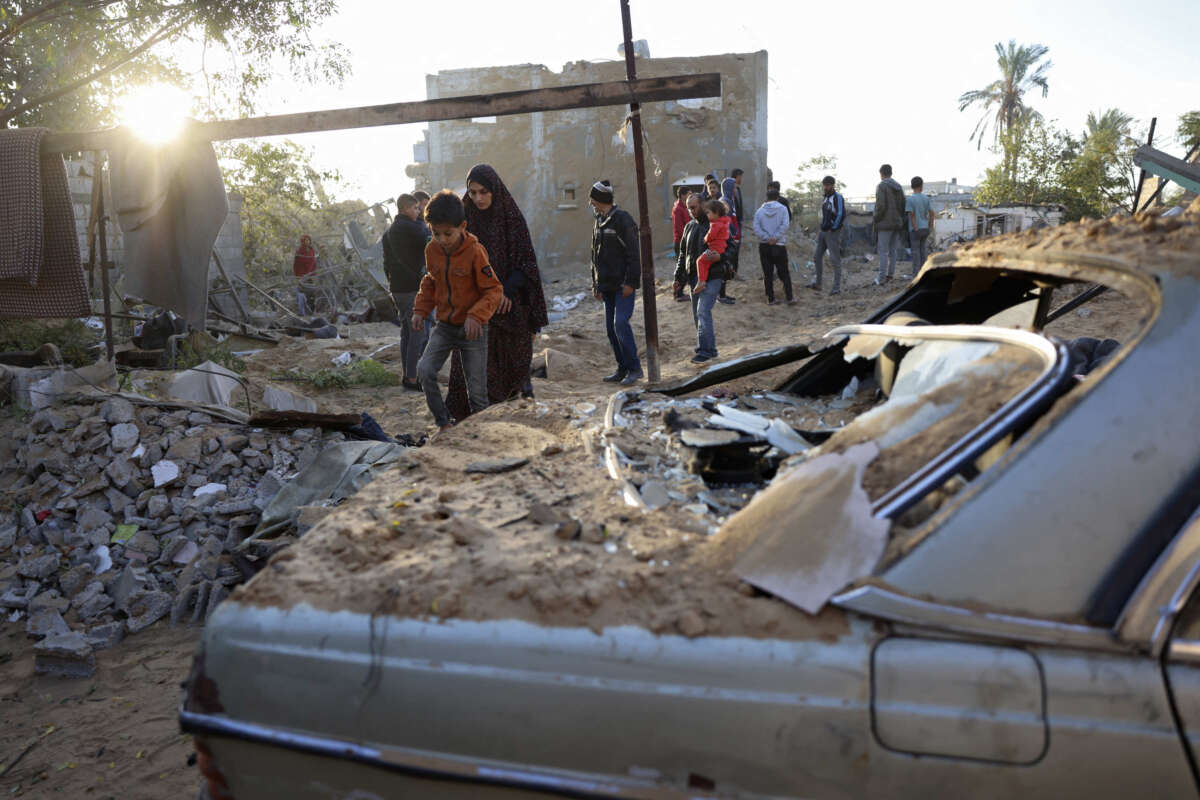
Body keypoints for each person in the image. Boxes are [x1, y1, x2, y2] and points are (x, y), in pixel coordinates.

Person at [447, 164, 549, 420]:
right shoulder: (462, 223)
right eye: (472, 192)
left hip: (510, 306)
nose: (478, 198)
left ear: (494, 190)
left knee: (513, 373)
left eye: (484, 192)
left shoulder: (511, 218)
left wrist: (503, 291)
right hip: (476, 307)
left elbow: (526, 263)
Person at [412, 190, 503, 432]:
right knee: (424, 371)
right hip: (445, 327)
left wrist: (476, 315)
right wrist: (420, 310)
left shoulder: (475, 251)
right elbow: (430, 281)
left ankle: (482, 436)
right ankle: (444, 424)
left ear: (462, 226)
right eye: (435, 233)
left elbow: (493, 289)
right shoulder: (432, 250)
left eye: (447, 234)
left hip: (473, 330)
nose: (441, 239)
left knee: (477, 393)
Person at [588, 179, 643, 385]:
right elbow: (594, 255)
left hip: (622, 285)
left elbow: (633, 254)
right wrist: (595, 284)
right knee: (611, 330)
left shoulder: (623, 220)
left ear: (601, 199)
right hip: (606, 285)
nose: (591, 203)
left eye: (593, 199)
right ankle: (622, 368)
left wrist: (631, 282)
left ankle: (635, 368)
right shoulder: (598, 220)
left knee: (620, 323)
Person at [382, 193, 430, 391]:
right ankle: (412, 378)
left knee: (407, 333)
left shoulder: (390, 231)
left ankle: (408, 375)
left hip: (398, 288)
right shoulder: (411, 227)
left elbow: (386, 264)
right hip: (411, 288)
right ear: (406, 209)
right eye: (417, 208)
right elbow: (428, 237)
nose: (419, 212)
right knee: (419, 333)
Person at [672, 192, 724, 363]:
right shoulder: (689, 227)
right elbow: (682, 254)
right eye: (688, 208)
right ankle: (710, 349)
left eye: (693, 207)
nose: (691, 211)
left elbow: (729, 248)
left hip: (712, 276)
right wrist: (678, 277)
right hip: (694, 277)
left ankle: (705, 351)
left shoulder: (715, 224)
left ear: (703, 205)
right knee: (698, 314)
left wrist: (720, 257)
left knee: (702, 311)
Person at [753, 187, 793, 305]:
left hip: (764, 246)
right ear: (777, 197)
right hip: (779, 245)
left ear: (767, 198)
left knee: (767, 273)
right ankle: (789, 297)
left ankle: (771, 298)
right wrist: (775, 238)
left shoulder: (759, 211)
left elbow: (756, 228)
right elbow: (785, 225)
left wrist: (767, 238)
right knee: (784, 272)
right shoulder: (783, 209)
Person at [873, 163, 906, 284]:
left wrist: (876, 218)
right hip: (897, 224)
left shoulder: (881, 186)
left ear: (881, 174)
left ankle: (881, 278)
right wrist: (900, 219)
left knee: (883, 251)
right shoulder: (899, 187)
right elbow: (903, 205)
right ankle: (890, 276)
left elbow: (880, 206)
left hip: (884, 224)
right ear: (891, 173)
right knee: (893, 251)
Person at [812, 176, 846, 294]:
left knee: (835, 260)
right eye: (824, 185)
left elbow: (841, 214)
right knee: (817, 257)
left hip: (832, 233)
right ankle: (818, 283)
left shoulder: (838, 197)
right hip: (823, 232)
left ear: (832, 185)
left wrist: (834, 228)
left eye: (827, 185)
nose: (825, 187)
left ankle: (836, 288)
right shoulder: (825, 198)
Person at [906, 176, 935, 273]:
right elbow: (932, 213)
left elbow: (912, 215)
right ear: (921, 186)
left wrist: (915, 228)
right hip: (925, 228)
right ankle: (924, 274)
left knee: (915, 254)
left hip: (915, 230)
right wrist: (930, 226)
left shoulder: (910, 199)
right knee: (923, 252)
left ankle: (916, 276)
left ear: (912, 186)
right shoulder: (926, 198)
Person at [672, 186, 691, 302]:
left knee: (684, 268)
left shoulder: (683, 207)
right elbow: (679, 229)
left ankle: (679, 292)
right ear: (683, 195)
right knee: (682, 269)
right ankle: (678, 293)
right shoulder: (678, 209)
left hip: (684, 240)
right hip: (681, 242)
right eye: (689, 194)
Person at [292, 234, 318, 316]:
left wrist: (313, 273)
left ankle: (311, 311)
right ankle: (304, 312)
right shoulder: (299, 252)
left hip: (310, 275)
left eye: (308, 240)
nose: (307, 241)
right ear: (302, 241)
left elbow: (313, 262)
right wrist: (299, 276)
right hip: (302, 276)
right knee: (304, 294)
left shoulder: (312, 250)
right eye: (305, 240)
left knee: (312, 293)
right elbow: (296, 264)